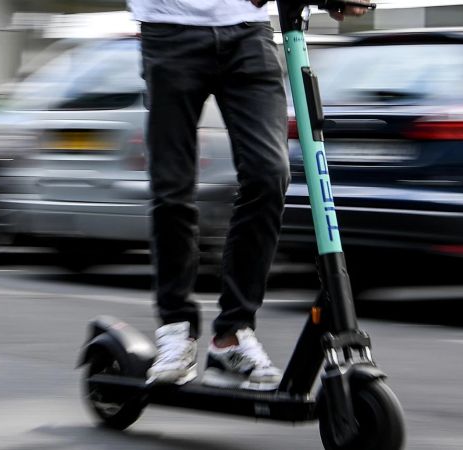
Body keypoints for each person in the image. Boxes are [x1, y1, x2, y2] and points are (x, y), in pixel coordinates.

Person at [129, 0, 368, 389]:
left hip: (247, 33)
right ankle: (176, 328)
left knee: (268, 175)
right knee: (173, 189)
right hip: (169, 29)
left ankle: (232, 335)